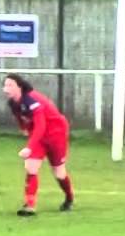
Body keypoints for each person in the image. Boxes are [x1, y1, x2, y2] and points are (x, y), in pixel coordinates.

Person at [5, 74, 74, 216]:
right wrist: (23, 128)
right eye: (5, 85)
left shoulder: (32, 100)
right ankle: (29, 205)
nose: (6, 89)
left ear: (19, 86)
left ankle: (69, 198)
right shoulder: (13, 102)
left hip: (56, 134)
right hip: (39, 137)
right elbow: (19, 116)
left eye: (10, 85)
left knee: (59, 173)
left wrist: (29, 147)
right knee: (30, 167)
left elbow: (41, 125)